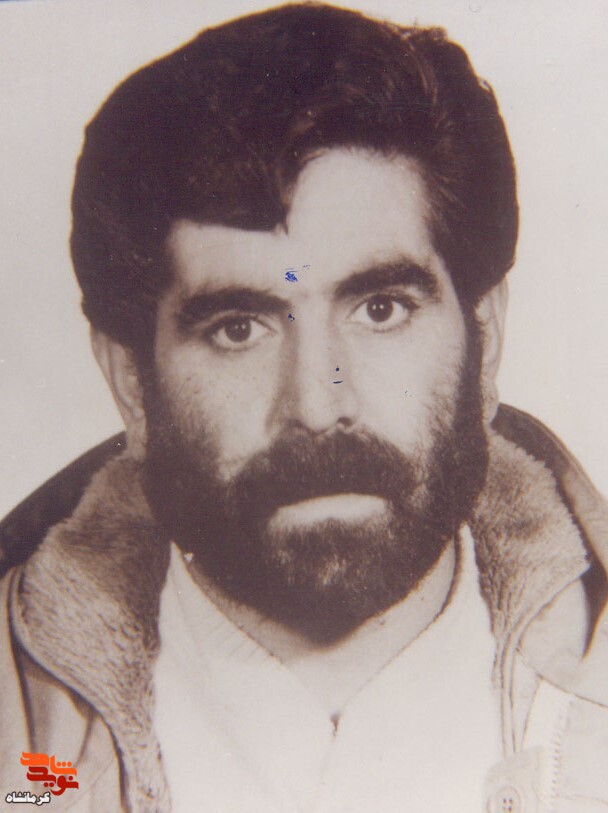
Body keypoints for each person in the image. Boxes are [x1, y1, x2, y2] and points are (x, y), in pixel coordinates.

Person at [1, 4, 607, 811]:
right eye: (239, 328)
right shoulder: (23, 768)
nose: (319, 406)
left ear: (485, 340)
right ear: (132, 385)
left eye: (381, 309)